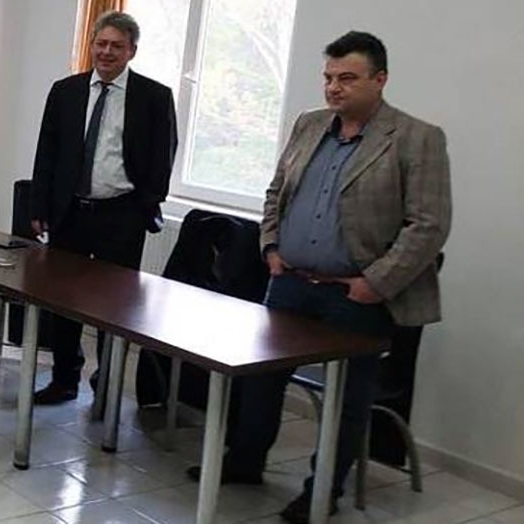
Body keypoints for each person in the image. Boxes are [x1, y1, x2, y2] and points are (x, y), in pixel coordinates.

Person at [187, 31, 452, 523]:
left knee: (345, 400)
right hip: (289, 282)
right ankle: (244, 461)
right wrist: (270, 247)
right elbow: (276, 193)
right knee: (260, 380)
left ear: (380, 79)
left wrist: (376, 283)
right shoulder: (309, 124)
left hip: (355, 295)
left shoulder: (417, 138)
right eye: (329, 77)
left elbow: (429, 225)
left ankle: (322, 490)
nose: (334, 87)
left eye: (347, 78)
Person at [29, 10, 178, 405]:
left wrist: (146, 204)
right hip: (70, 214)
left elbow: (163, 158)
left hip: (121, 216)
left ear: (131, 51)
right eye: (101, 43)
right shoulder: (66, 91)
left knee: (115, 306)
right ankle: (64, 379)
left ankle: (107, 382)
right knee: (63, 302)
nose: (107, 52)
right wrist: (40, 205)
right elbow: (47, 151)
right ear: (91, 45)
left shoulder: (154, 96)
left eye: (116, 46)